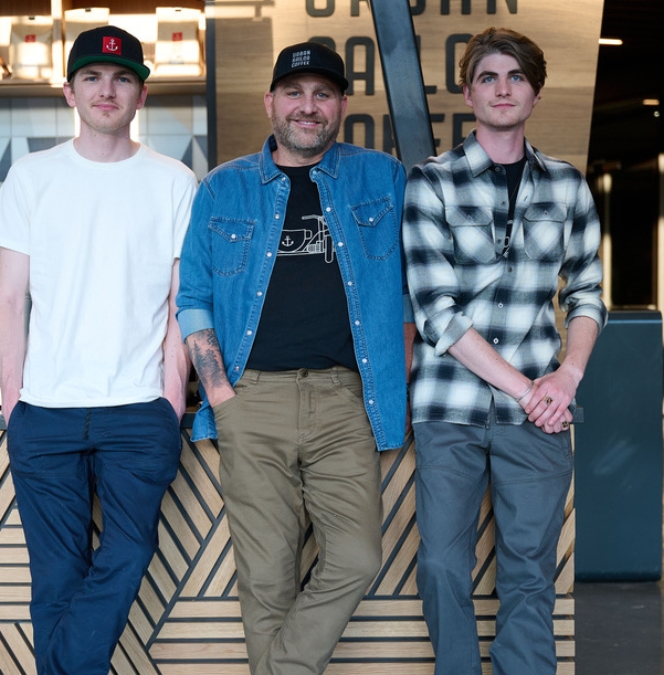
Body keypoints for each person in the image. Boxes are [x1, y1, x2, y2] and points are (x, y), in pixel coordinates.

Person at [176, 42, 413, 675]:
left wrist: (400, 368)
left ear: (340, 105)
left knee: (358, 557)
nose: (308, 107)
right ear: (271, 102)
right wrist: (220, 395)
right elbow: (193, 297)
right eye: (294, 92)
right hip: (251, 399)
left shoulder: (381, 177)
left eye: (323, 94)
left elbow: (412, 292)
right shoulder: (223, 186)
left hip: (344, 400)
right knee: (267, 576)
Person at [0, 25, 197, 675]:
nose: (108, 89)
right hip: (44, 411)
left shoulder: (174, 181)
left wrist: (170, 397)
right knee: (55, 575)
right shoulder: (32, 177)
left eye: (123, 77)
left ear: (142, 94)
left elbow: (177, 307)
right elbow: (9, 299)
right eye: (94, 78)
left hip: (138, 410)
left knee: (129, 553)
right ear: (70, 90)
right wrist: (13, 402)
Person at [403, 27, 608, 675]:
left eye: (515, 77)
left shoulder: (568, 186)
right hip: (450, 407)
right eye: (488, 77)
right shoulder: (429, 183)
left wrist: (567, 378)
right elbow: (436, 311)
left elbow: (588, 294)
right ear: (468, 93)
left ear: (536, 94)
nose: (502, 88)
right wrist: (529, 387)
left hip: (542, 412)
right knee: (440, 562)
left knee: (528, 567)